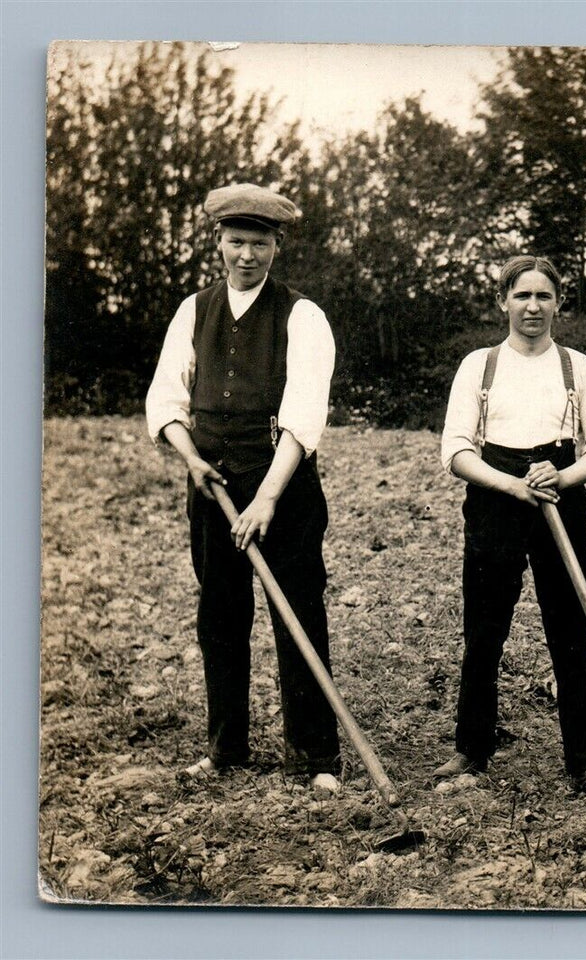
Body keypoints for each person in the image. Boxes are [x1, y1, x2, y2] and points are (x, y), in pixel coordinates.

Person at [144, 183, 341, 795]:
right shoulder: (192, 310)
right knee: (221, 614)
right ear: (219, 244)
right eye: (236, 242)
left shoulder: (302, 315)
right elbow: (166, 400)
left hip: (282, 483)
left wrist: (267, 498)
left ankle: (315, 758)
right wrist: (190, 458)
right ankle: (225, 748)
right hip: (211, 485)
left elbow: (304, 415)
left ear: (276, 247)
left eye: (259, 243)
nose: (247, 255)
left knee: (297, 613)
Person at [435, 255, 586, 802]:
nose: (533, 307)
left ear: (558, 304)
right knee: (485, 627)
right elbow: (454, 449)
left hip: (560, 496)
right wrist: (511, 483)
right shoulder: (480, 365)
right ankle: (471, 750)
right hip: (496, 498)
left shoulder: (577, 367)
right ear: (504, 302)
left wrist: (562, 476)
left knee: (571, 628)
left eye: (544, 296)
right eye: (522, 296)